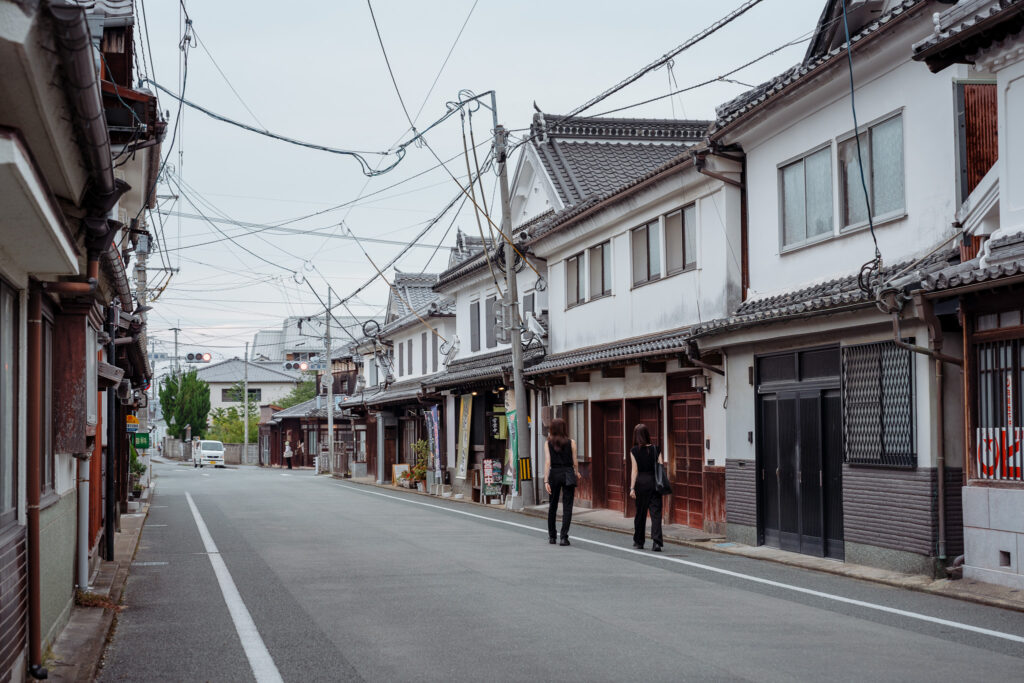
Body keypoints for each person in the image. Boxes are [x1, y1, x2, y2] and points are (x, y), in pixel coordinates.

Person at [544, 417, 580, 546]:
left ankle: (552, 537)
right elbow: (575, 460)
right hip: (568, 473)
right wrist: (577, 472)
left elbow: (548, 462)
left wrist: (545, 480)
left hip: (554, 473)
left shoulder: (548, 443)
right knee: (567, 506)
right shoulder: (572, 442)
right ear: (564, 428)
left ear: (552, 429)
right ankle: (564, 537)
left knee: (552, 505)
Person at [629, 424, 664, 551]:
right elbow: (661, 466)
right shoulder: (656, 449)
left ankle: (639, 541)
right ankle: (657, 542)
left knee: (640, 513)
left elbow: (634, 470)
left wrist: (632, 488)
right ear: (647, 435)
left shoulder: (634, 451)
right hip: (655, 483)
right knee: (656, 514)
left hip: (641, 483)